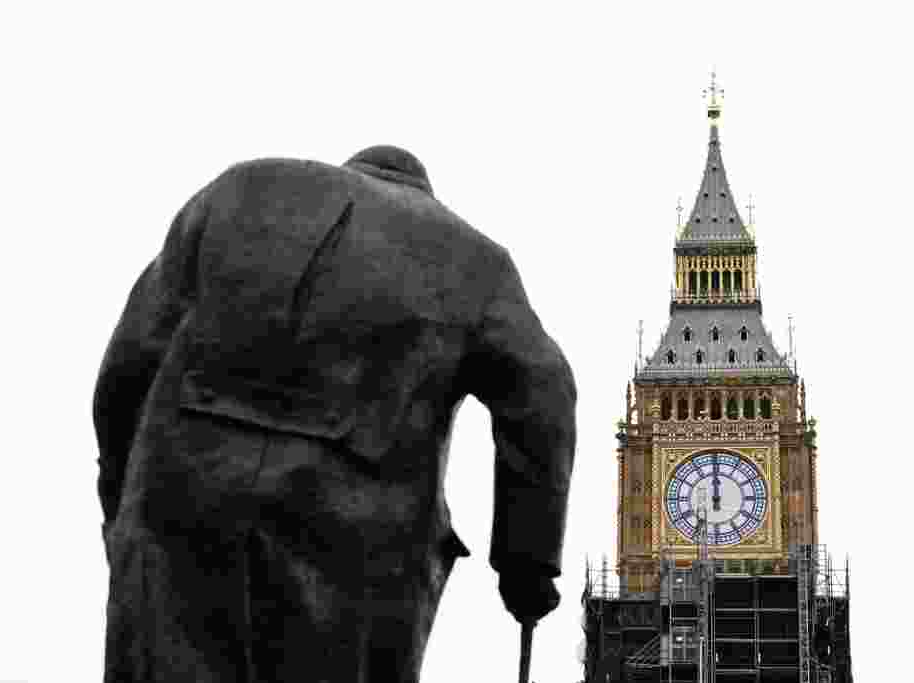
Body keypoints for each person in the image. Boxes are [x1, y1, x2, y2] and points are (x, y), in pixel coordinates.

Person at [93, 145, 576, 682]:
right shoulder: (479, 263)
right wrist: (525, 561)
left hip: (178, 508)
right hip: (353, 541)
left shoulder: (236, 189)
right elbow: (545, 392)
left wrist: (120, 500)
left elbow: (129, 362)